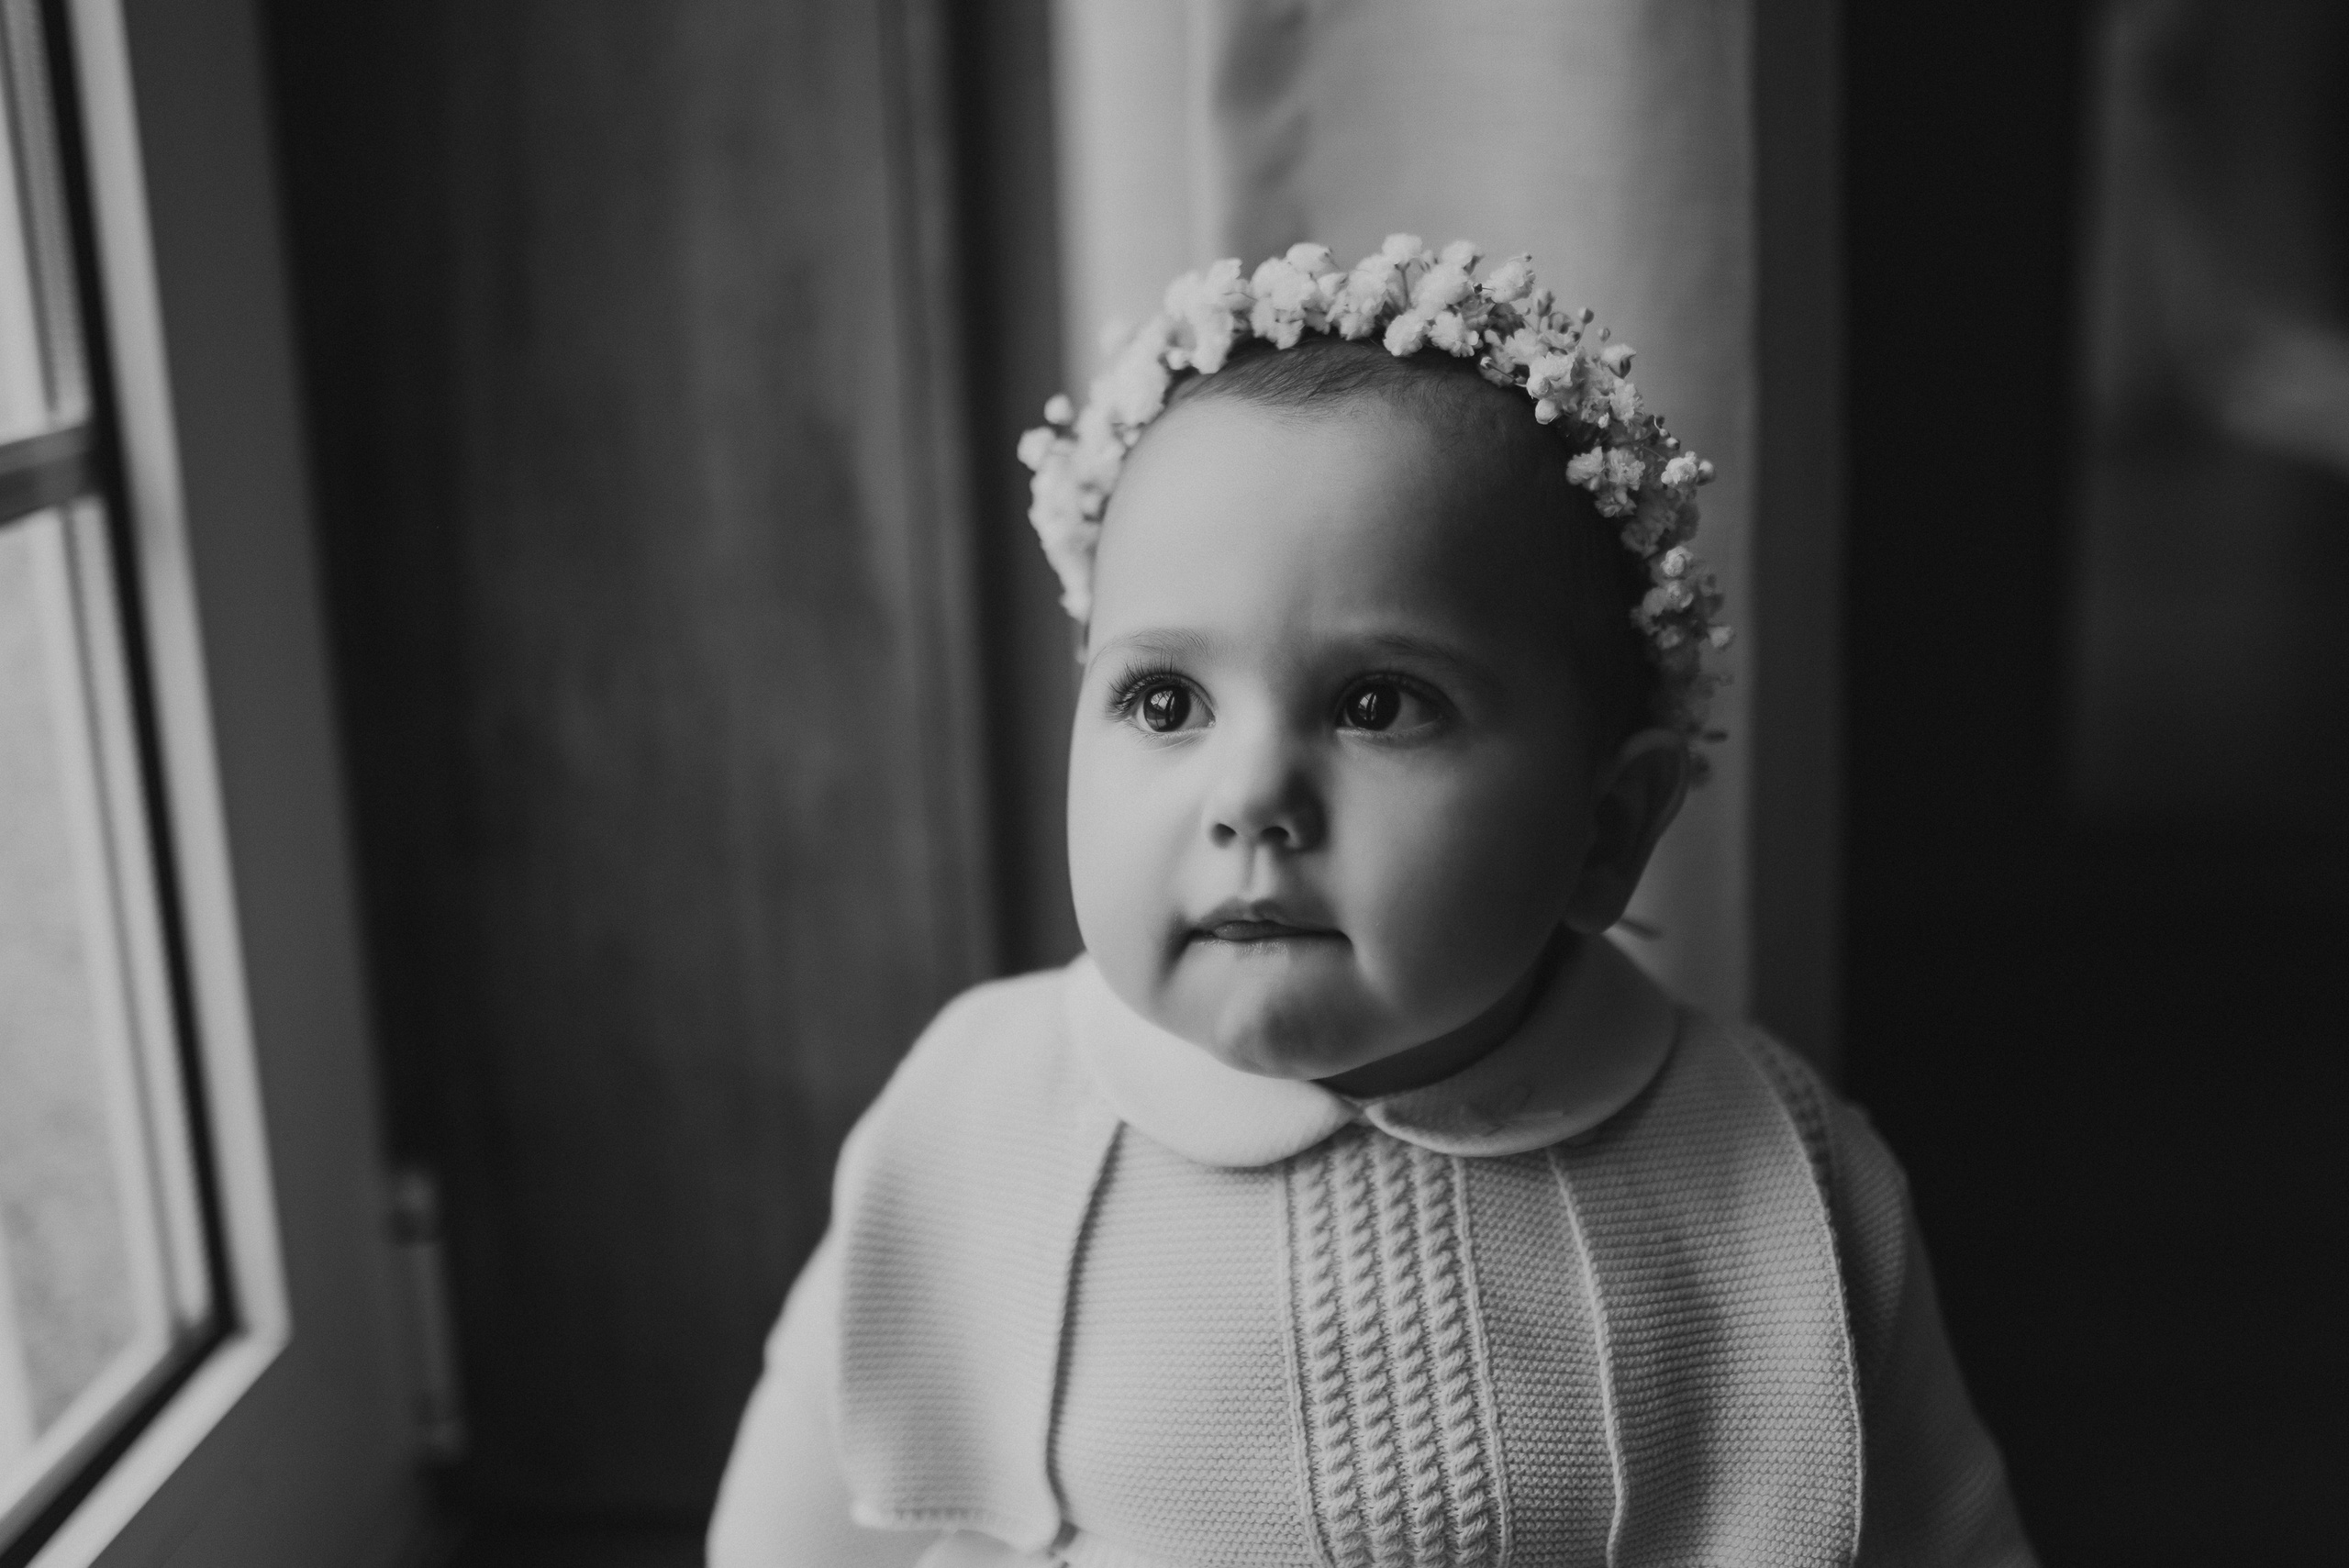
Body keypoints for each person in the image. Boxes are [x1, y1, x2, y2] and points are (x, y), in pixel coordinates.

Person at [706, 238, 2037, 1568]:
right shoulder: (979, 1117)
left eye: (1378, 704)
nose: (1251, 797)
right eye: (1164, 701)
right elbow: (801, 1526)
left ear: (1609, 827)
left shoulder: (1778, 1178)